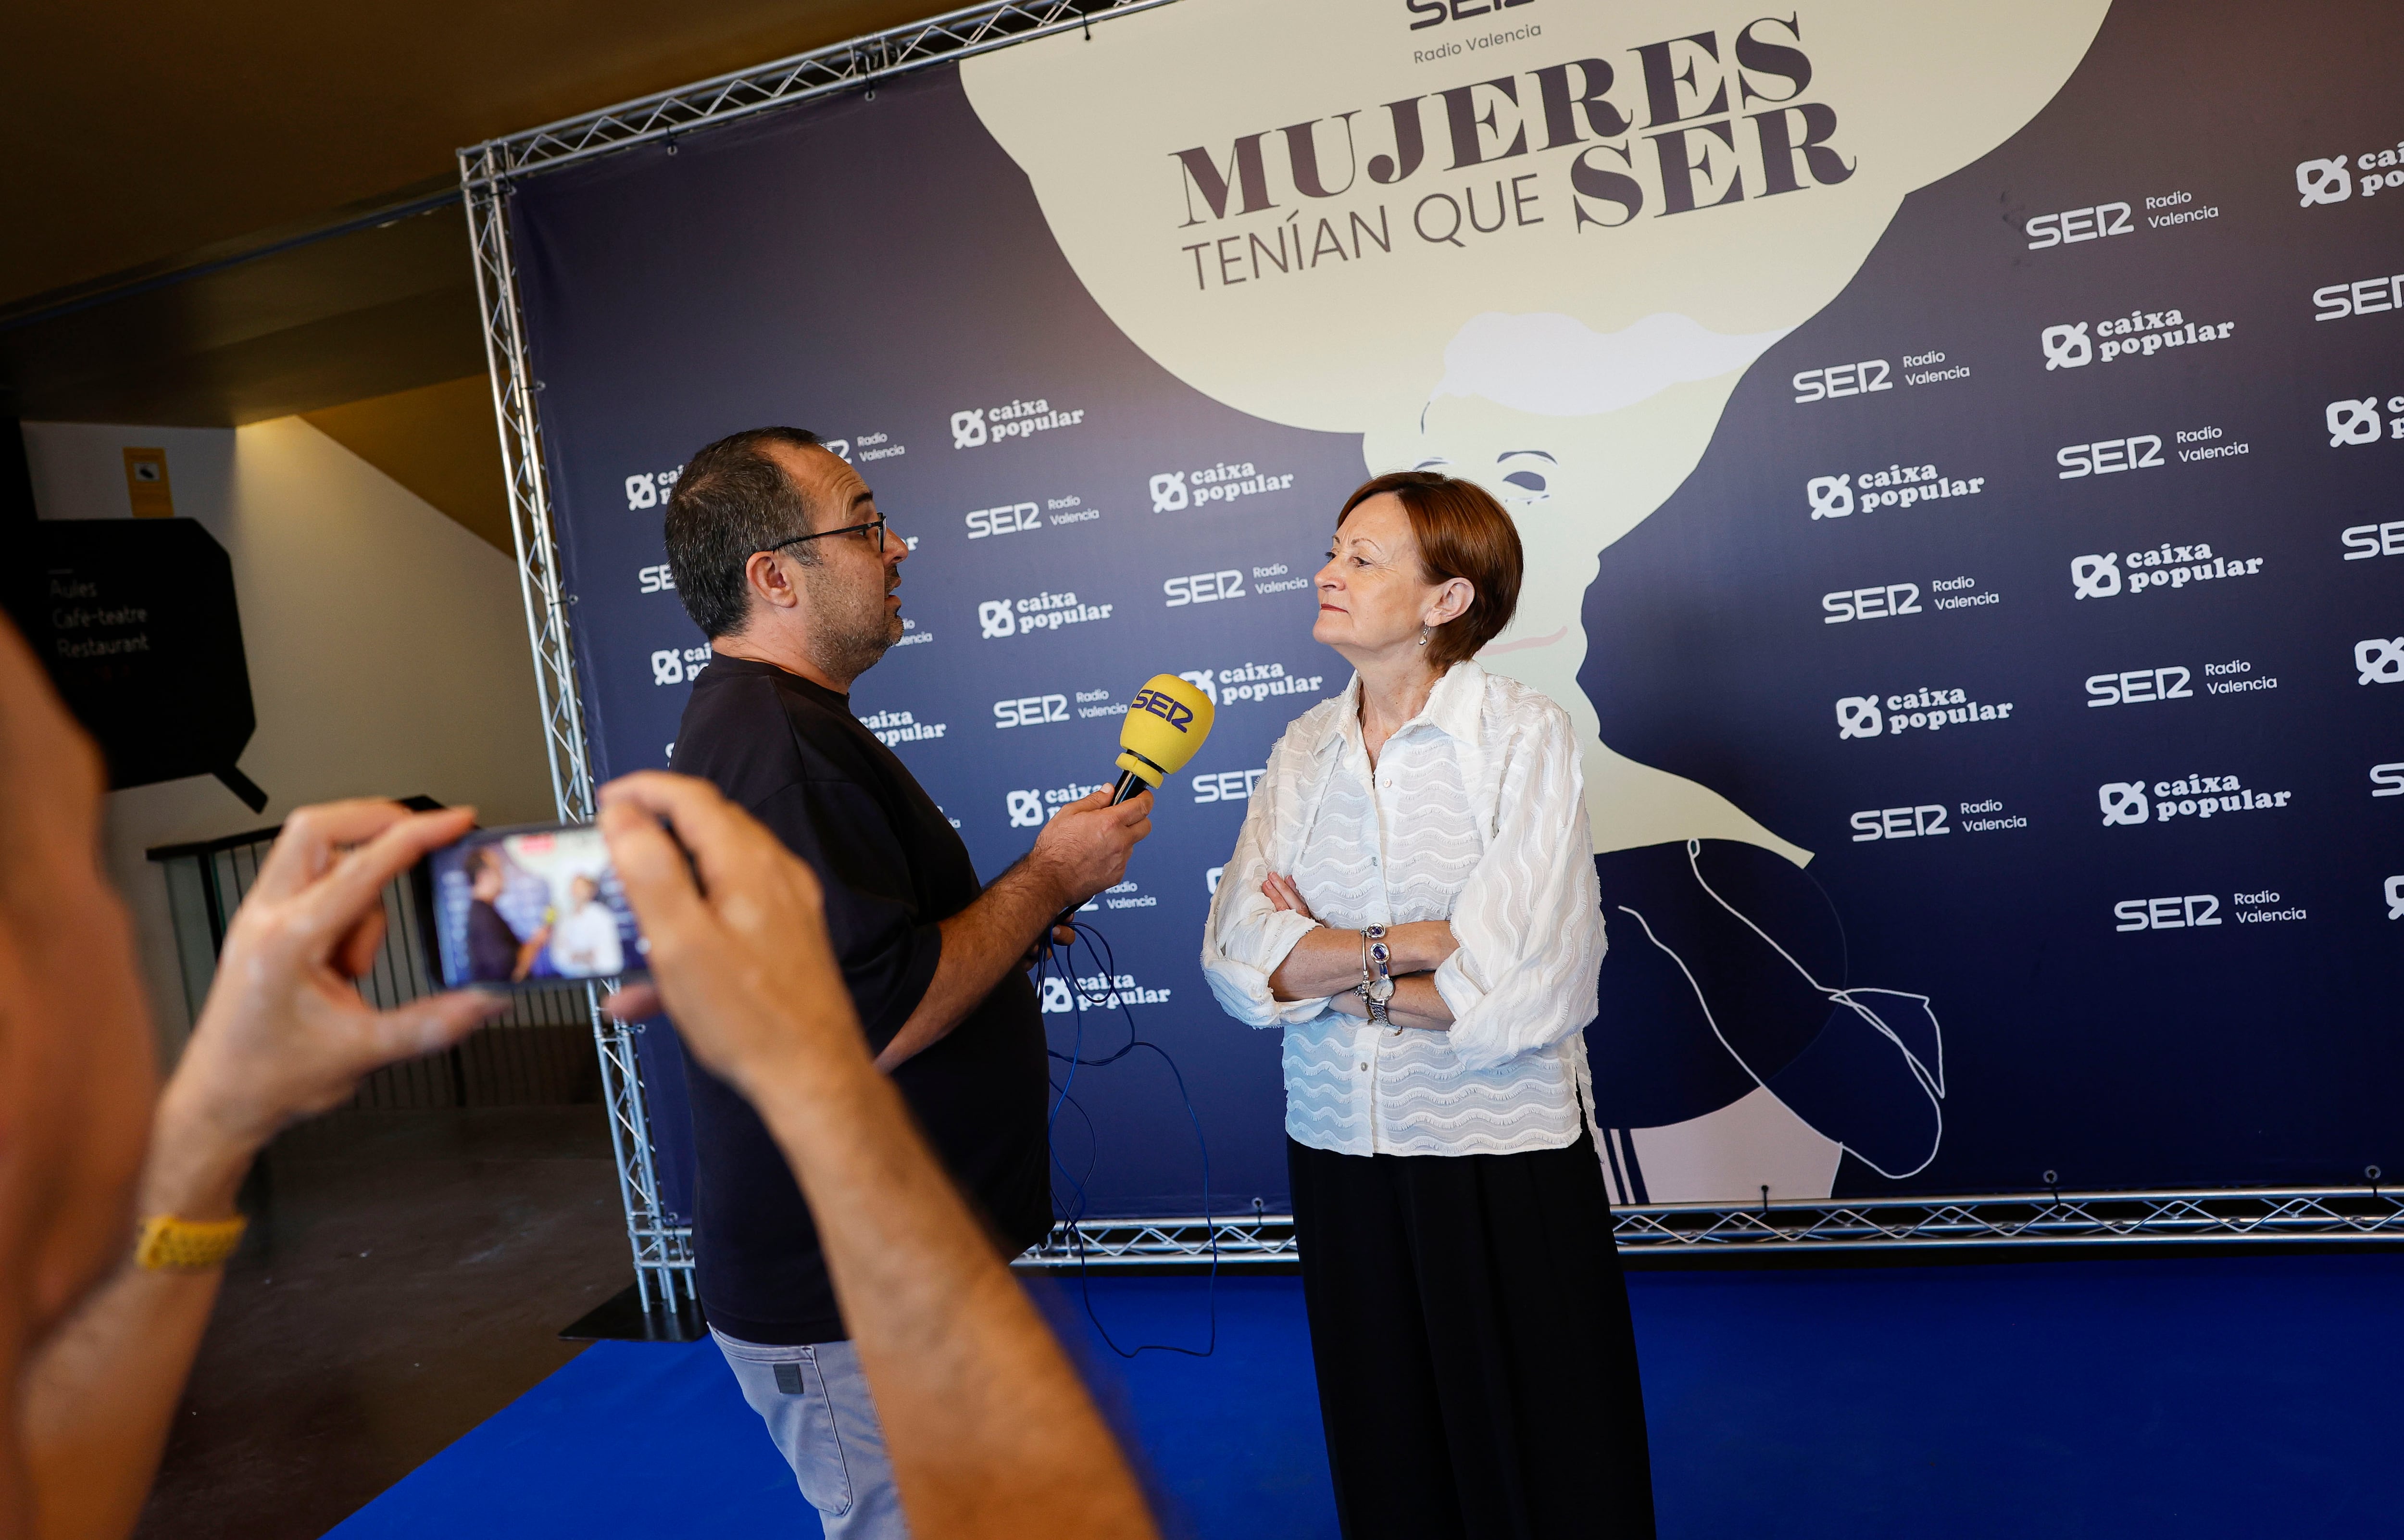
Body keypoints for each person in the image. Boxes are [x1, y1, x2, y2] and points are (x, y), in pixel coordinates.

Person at [0, 611, 1158, 1540]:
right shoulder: (770, 735)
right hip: (832, 1300)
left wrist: (212, 1126)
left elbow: (63, 1476)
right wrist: (818, 1064)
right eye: (75, 870)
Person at [660, 426, 1152, 1537]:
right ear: (774, 576)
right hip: (851, 1299)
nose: (898, 547)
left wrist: (1010, 924)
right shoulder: (781, 751)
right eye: (865, 525)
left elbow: (871, 957)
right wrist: (1047, 876)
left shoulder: (783, 726)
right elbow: (877, 1019)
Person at [1200, 471, 1655, 1539]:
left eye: (1363, 557)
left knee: (1547, 1466)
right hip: (1337, 1144)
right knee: (1389, 1463)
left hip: (1496, 1150)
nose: (1329, 571)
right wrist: (1410, 944)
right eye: (1334, 549)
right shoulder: (1301, 747)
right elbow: (1235, 958)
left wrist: (1323, 963)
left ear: (1448, 598)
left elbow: (1525, 980)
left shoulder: (1523, 734)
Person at [546, 872, 624, 977]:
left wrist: (582, 957)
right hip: (572, 979)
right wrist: (581, 957)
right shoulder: (564, 919)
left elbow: (609, 956)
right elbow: (559, 956)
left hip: (601, 978)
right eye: (574, 887)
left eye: (581, 888)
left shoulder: (602, 916)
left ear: (590, 891)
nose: (576, 891)